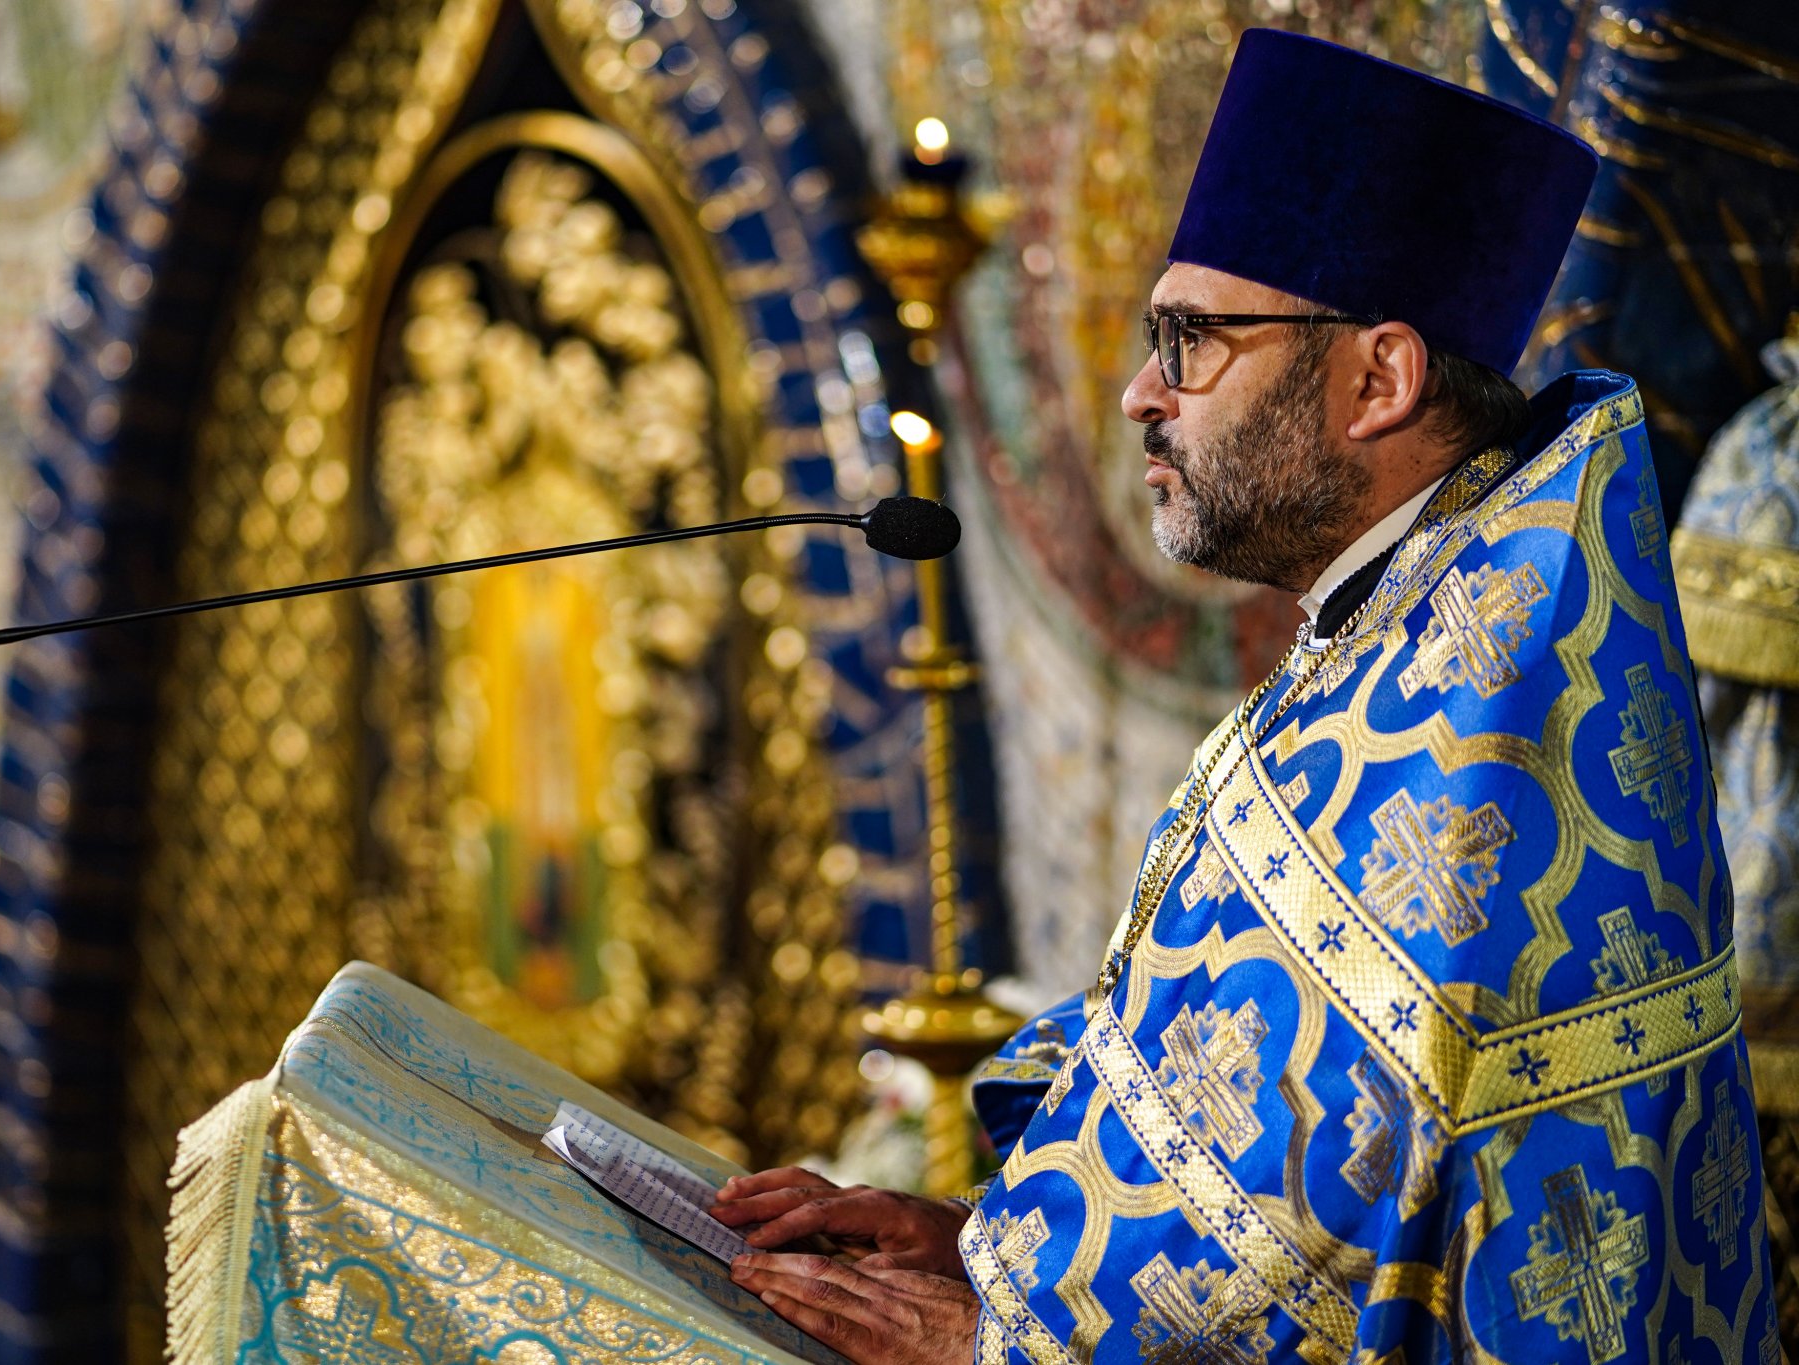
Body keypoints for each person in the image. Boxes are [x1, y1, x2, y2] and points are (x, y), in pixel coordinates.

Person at [714, 28, 1776, 1365]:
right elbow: (1234, 1089)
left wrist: (1007, 1339)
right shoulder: (1406, 627)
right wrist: (993, 1235)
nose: (1137, 394)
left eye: (1192, 339)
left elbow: (1344, 1211)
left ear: (1379, 379)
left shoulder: (1486, 732)